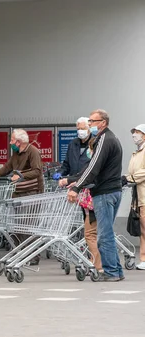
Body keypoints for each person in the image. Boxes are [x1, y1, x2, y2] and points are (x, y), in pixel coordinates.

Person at [68, 109, 123, 282]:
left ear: (103, 123)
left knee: (104, 235)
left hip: (105, 193)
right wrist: (74, 179)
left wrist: (76, 187)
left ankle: (111, 272)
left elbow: (93, 167)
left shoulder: (104, 139)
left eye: (92, 121)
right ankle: (116, 270)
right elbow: (90, 166)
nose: (90, 124)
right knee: (107, 233)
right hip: (112, 191)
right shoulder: (109, 138)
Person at [0, 129, 44, 264]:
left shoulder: (32, 151)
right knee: (17, 226)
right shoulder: (16, 153)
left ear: (19, 141)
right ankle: (21, 252)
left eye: (12, 140)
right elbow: (7, 167)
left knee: (28, 226)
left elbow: (37, 170)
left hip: (32, 192)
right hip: (18, 192)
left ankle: (33, 255)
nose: (10, 142)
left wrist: (21, 175)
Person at [59, 138, 102, 274]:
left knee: (90, 234)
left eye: (90, 149)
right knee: (93, 234)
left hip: (92, 202)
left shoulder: (94, 163)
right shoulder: (95, 162)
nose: (88, 152)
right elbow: (81, 175)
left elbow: (84, 175)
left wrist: (70, 180)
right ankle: (94, 262)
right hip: (93, 202)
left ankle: (97, 266)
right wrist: (74, 182)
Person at [125, 124, 145, 270]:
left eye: (137, 132)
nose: (134, 135)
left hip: (144, 196)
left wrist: (129, 178)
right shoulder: (136, 153)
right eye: (134, 132)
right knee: (142, 230)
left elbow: (141, 172)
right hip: (138, 196)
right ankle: (143, 258)